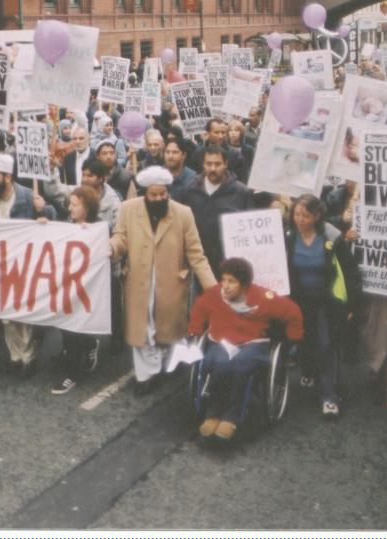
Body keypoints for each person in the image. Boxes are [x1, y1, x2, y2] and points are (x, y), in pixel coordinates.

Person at [110, 166, 217, 395]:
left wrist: (214, 290)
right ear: (144, 193)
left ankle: (166, 363)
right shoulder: (128, 209)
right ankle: (145, 377)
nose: (159, 198)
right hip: (137, 281)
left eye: (163, 194)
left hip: (171, 284)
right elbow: (121, 238)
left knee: (167, 330)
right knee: (142, 330)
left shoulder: (183, 213)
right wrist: (112, 248)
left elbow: (197, 255)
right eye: (153, 195)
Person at [187, 257, 303, 440]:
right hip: (221, 341)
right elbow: (199, 310)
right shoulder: (214, 295)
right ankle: (213, 413)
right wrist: (195, 329)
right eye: (223, 280)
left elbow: (293, 312)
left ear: (244, 284)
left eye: (231, 281)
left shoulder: (262, 297)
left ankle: (232, 417)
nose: (225, 285)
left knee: (241, 365)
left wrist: (293, 338)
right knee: (220, 362)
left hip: (252, 343)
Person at [0, 153, 55, 377]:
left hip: (25, 263)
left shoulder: (29, 197)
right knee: (6, 314)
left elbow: (55, 217)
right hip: (0, 264)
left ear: (8, 177)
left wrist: (44, 212)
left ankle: (27, 356)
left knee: (23, 313)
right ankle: (15, 356)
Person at [284, 194, 361, 418]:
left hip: (326, 301)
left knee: (327, 345)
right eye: (296, 214)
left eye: (305, 216)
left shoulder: (332, 237)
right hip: (298, 300)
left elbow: (350, 271)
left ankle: (329, 396)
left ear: (317, 216)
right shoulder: (287, 236)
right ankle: (307, 369)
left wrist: (352, 305)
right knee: (304, 341)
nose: (300, 220)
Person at [49, 186, 105, 395]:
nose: (70, 208)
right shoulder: (67, 225)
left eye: (75, 205)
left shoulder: (99, 229)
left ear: (88, 207)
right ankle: (88, 345)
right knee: (67, 326)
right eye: (69, 204)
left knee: (75, 327)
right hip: (68, 284)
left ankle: (71, 374)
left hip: (88, 287)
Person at [178, 145, 253, 273]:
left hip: (229, 262)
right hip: (199, 261)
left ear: (226, 164)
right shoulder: (190, 189)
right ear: (203, 164)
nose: (213, 168)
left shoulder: (241, 192)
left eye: (217, 164)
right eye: (209, 164)